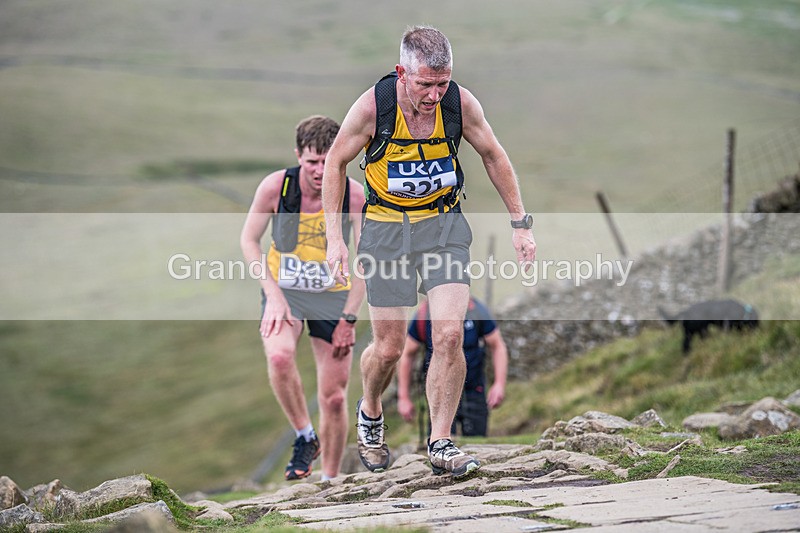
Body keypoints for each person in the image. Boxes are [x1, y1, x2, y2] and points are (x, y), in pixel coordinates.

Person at [322, 26, 536, 478]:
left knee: (450, 335)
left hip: (444, 227)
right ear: (403, 73)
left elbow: (494, 156)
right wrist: (335, 238)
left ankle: (440, 441)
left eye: (443, 83)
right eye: (425, 84)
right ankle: (372, 410)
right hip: (386, 231)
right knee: (389, 348)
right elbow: (335, 162)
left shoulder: (460, 104)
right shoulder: (372, 107)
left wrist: (520, 223)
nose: (436, 95)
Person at [240, 115, 366, 481]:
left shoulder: (354, 194)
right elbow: (249, 241)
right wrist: (273, 294)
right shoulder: (275, 188)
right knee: (279, 356)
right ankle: (304, 436)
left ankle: (329, 480)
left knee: (335, 398)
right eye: (311, 162)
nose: (319, 170)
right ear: (298, 156)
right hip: (287, 293)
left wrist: (349, 318)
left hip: (334, 299)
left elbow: (367, 261)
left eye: (327, 161)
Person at [397, 296, 508, 438]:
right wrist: (403, 397)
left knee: (477, 441)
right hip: (439, 393)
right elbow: (407, 353)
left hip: (474, 390)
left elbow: (497, 345)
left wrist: (499, 384)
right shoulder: (424, 314)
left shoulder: (476, 310)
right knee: (439, 441)